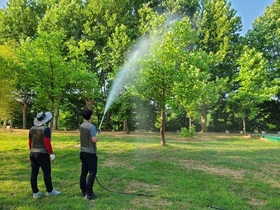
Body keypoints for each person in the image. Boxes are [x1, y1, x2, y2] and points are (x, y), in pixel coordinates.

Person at [29, 111, 61, 198]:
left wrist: (31, 150)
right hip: (42, 154)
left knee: (34, 173)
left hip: (32, 152)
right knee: (47, 173)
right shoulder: (45, 129)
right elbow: (47, 142)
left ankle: (35, 192)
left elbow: (30, 142)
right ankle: (50, 191)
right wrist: (51, 153)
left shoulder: (32, 129)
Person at [80, 109, 99, 200]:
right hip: (90, 153)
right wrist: (97, 135)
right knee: (92, 173)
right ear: (91, 116)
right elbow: (94, 140)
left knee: (84, 172)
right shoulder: (91, 127)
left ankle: (83, 191)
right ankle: (89, 193)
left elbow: (87, 136)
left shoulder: (82, 125)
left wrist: (95, 132)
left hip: (82, 152)